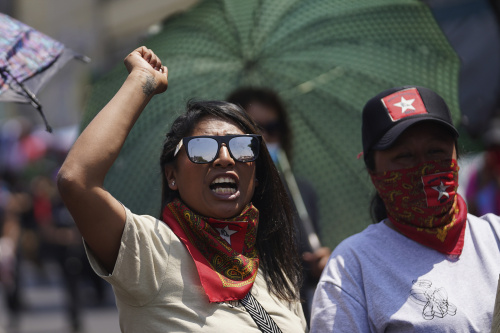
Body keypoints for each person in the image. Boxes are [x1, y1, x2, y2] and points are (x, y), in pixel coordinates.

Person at [57, 46, 307, 332]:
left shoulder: (277, 271)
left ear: (257, 175)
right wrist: (142, 81)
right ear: (171, 176)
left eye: (242, 147)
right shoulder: (150, 254)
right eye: (202, 148)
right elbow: (76, 180)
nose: (225, 158)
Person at [310, 86, 500, 332]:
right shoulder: (352, 266)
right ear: (373, 172)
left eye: (435, 151)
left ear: (456, 154)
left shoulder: (495, 237)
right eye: (404, 156)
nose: (423, 167)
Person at [226, 87, 330, 324]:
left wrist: (321, 266)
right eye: (253, 129)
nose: (263, 139)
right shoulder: (221, 195)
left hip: (294, 319)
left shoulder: (302, 192)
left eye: (272, 128)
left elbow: (306, 267)